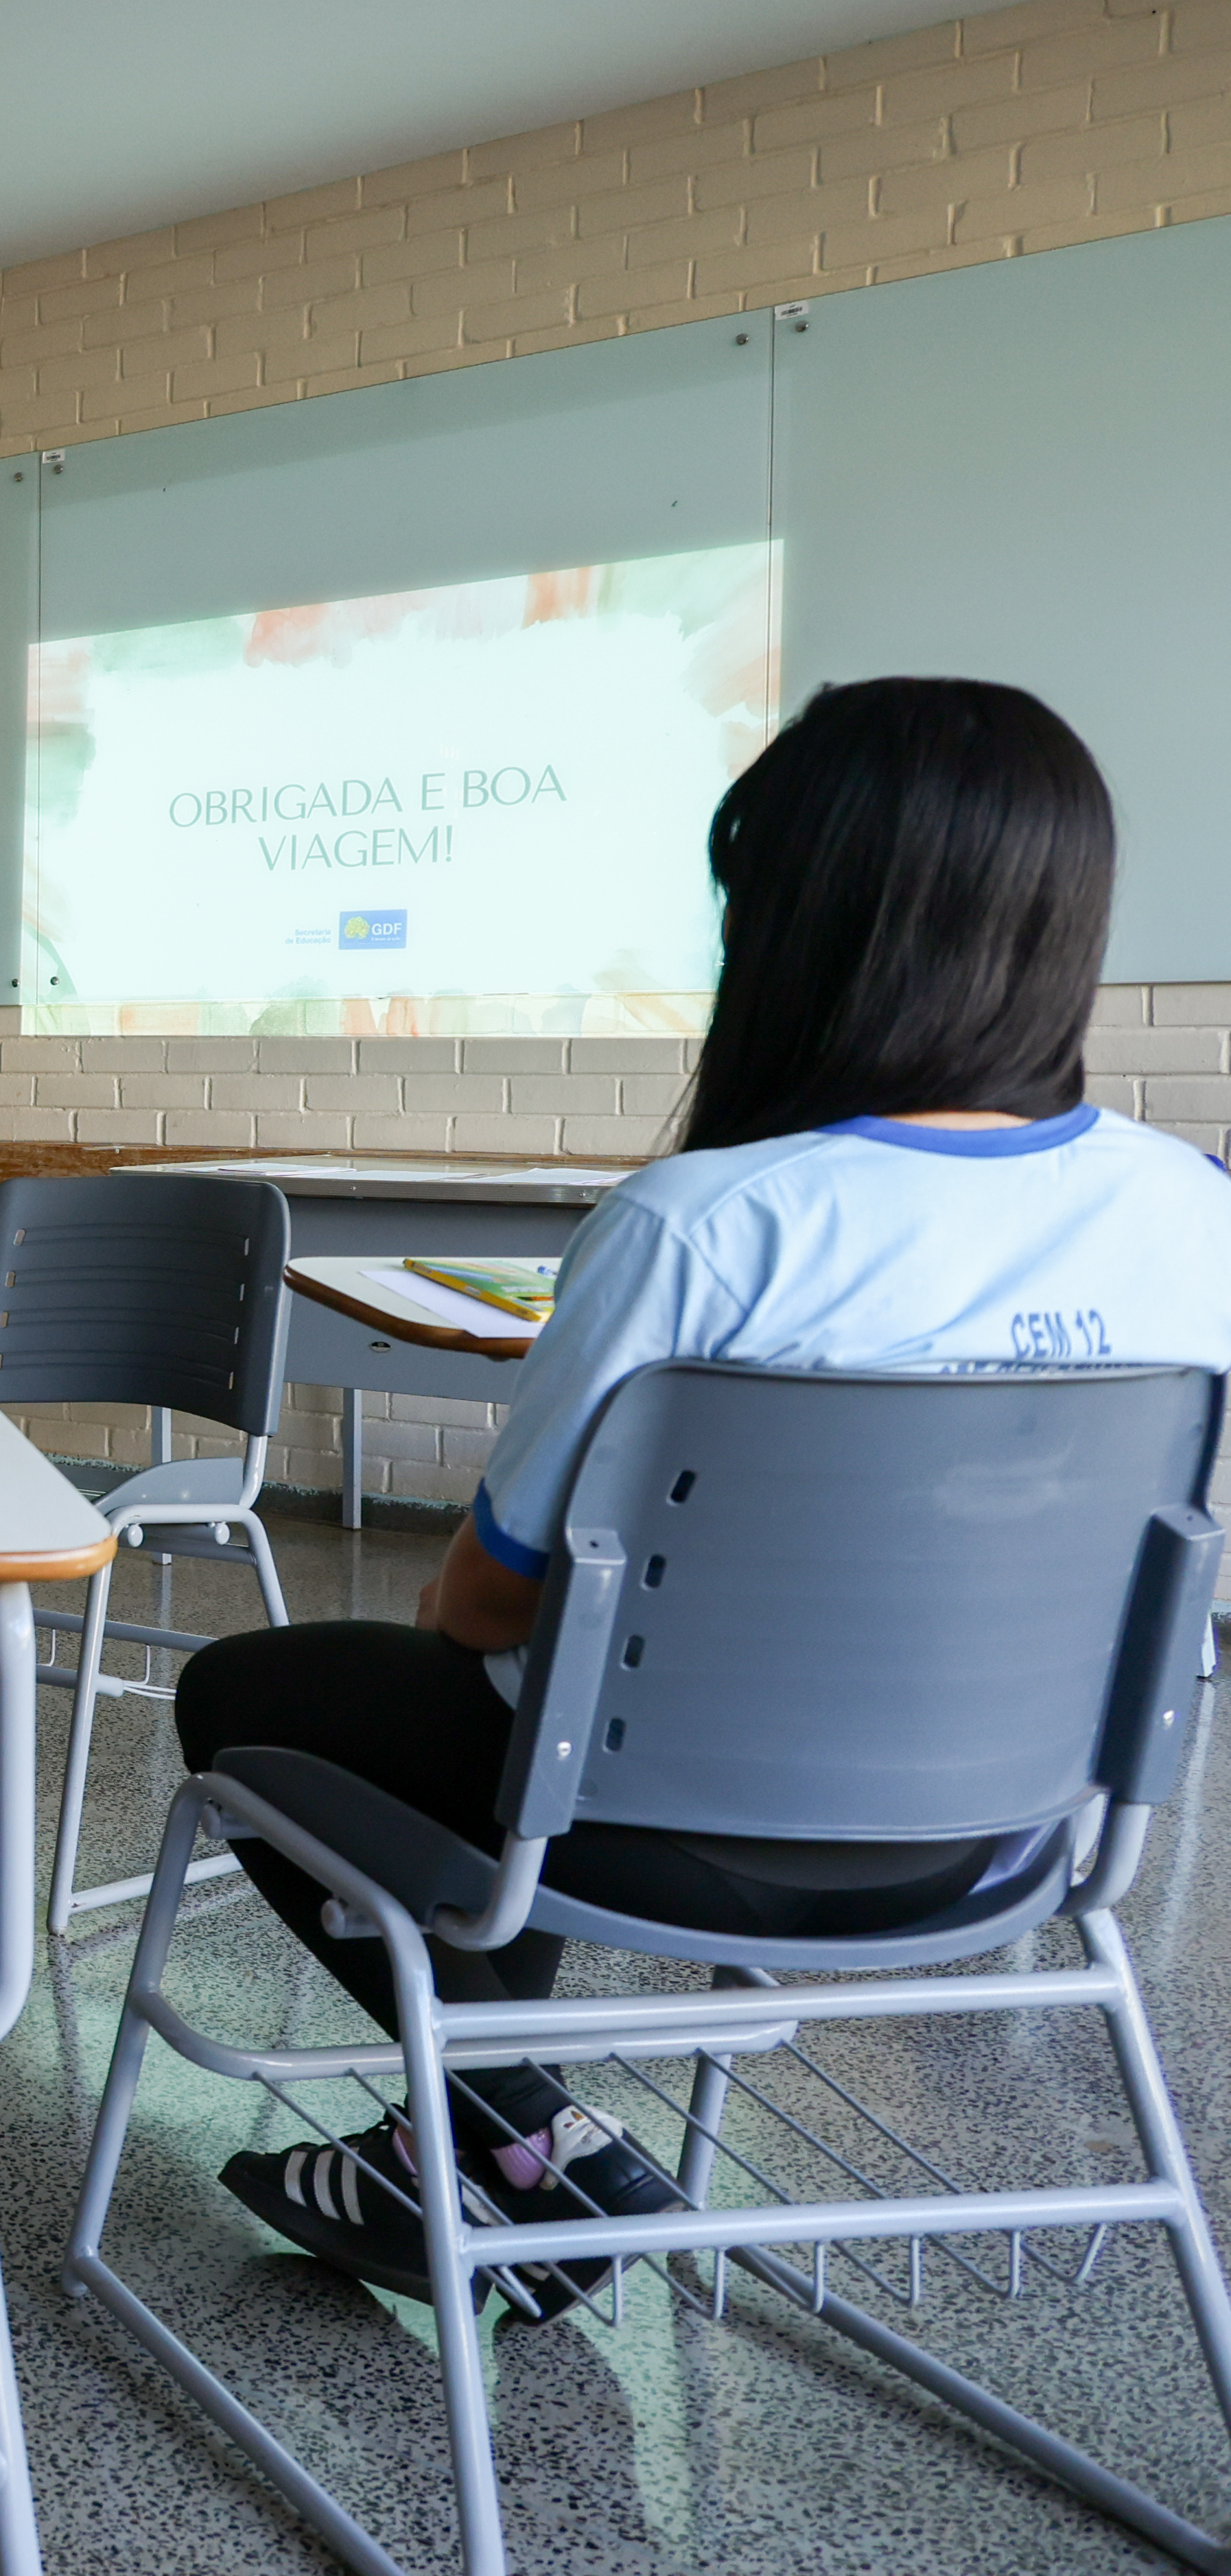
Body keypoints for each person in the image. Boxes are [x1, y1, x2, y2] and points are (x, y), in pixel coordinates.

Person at [184, 675, 1231, 2319]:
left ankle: (514, 2120)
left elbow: (482, 1601)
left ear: (804, 929)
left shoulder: (702, 1223)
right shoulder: (1193, 1212)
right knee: (496, 1738)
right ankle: (471, 2139)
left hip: (648, 1834)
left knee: (257, 1692)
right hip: (1011, 1833)